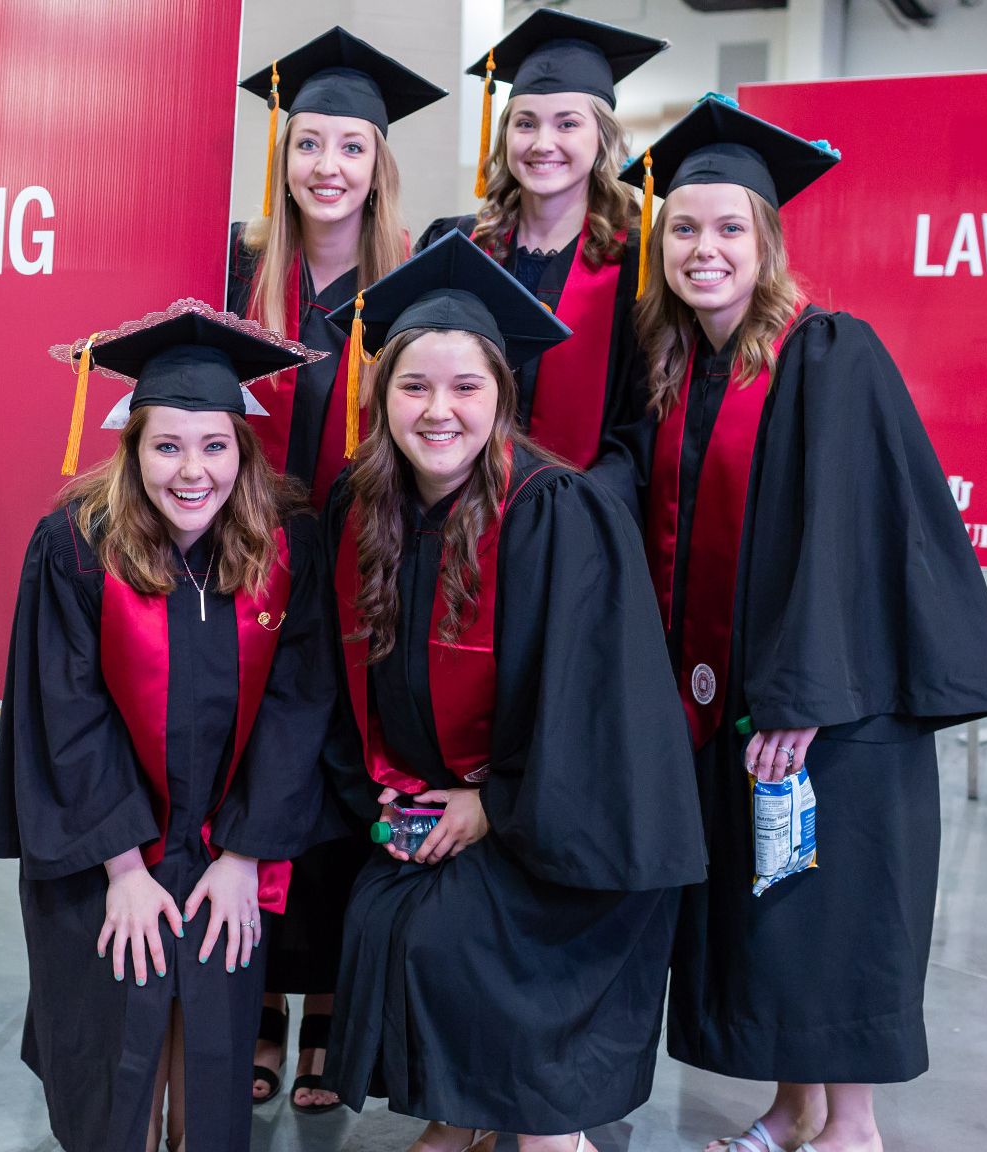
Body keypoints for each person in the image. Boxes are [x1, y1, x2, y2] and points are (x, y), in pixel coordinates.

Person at [610, 95, 987, 1152]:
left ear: (767, 242)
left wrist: (801, 700)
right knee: (776, 905)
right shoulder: (676, 371)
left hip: (832, 707)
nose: (703, 249)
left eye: (727, 228)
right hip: (737, 700)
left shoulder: (827, 353)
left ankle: (850, 1128)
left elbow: (848, 539)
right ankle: (794, 1112)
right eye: (683, 230)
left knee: (831, 911)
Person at [318, 232, 707, 1152]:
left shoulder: (557, 513)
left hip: (561, 830)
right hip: (430, 801)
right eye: (413, 387)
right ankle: (467, 1111)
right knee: (388, 912)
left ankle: (541, 1129)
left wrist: (492, 806)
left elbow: (596, 714)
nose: (438, 410)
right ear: (380, 397)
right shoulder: (358, 508)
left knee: (454, 931)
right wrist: (380, 798)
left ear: (504, 398)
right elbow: (330, 688)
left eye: (466, 388)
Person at [0, 301, 341, 1152]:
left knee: (213, 1050)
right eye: (167, 446)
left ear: (242, 447)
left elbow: (300, 706)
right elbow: (65, 716)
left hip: (229, 850)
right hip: (106, 857)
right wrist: (122, 868)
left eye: (215, 445)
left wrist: (245, 856)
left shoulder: (288, 545)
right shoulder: (74, 544)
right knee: (116, 1047)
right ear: (131, 445)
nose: (193, 471)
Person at [228, 26, 443, 1111]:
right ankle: (262, 1004)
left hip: (367, 565)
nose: (326, 166)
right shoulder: (234, 267)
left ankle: (327, 1022)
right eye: (307, 143)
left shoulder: (411, 283)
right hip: (249, 564)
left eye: (348, 147)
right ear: (284, 154)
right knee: (253, 772)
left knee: (344, 781)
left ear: (376, 163)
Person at [416, 10, 666, 469]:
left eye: (567, 124)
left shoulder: (639, 262)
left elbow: (644, 415)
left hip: (582, 505)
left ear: (602, 139)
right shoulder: (457, 244)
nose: (542, 143)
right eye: (526, 123)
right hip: (461, 500)